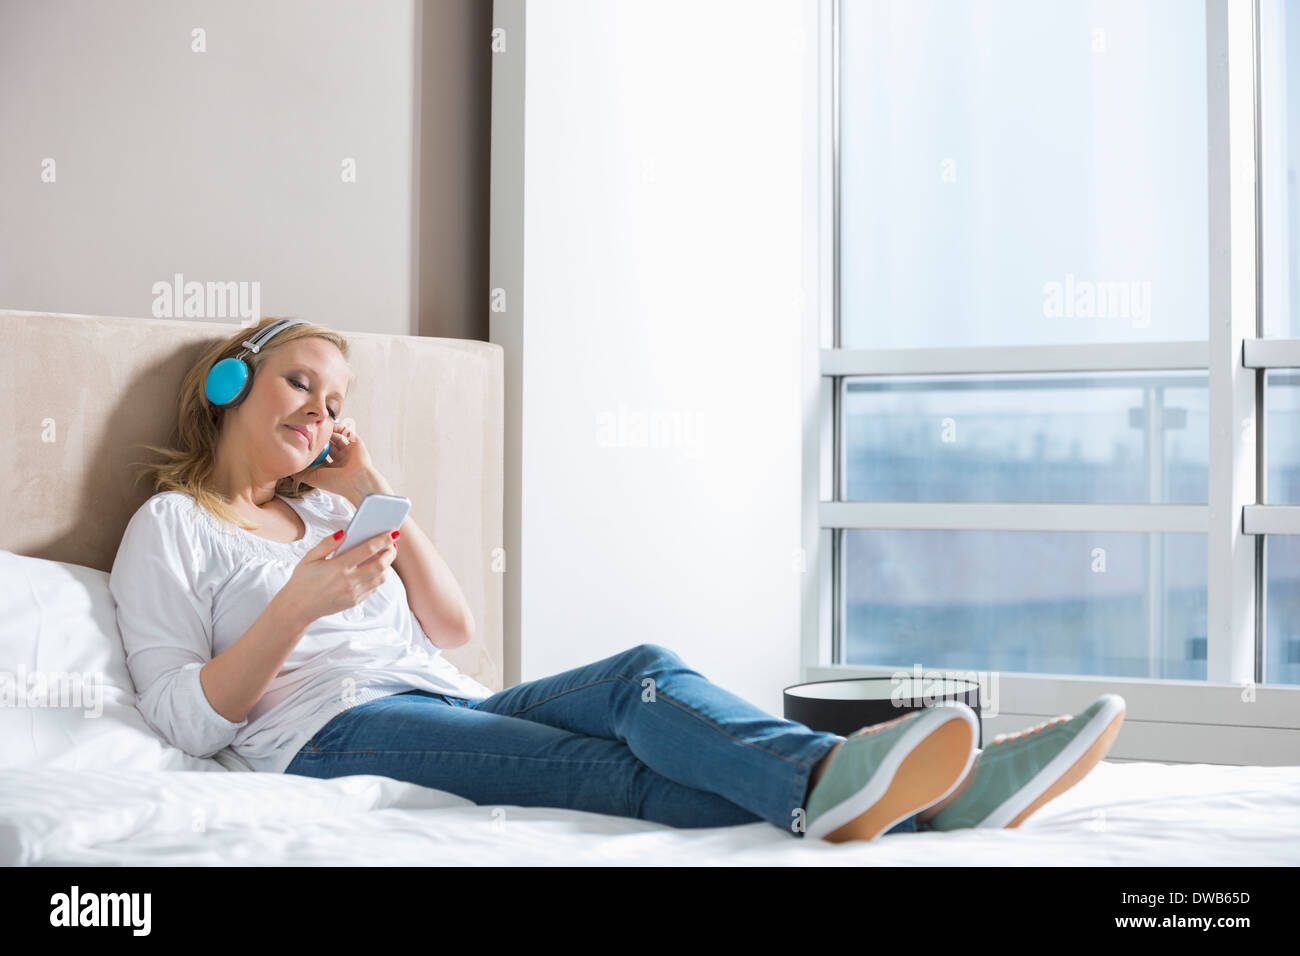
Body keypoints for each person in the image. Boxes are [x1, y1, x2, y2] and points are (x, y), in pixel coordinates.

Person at [111, 316, 1127, 843]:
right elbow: (184, 723)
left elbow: (453, 628)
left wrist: (377, 487)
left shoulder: (331, 509)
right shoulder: (173, 527)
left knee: (638, 677)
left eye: (338, 400)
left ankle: (880, 782)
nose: (324, 412)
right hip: (324, 734)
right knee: (612, 774)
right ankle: (903, 795)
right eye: (302, 383)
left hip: (434, 695)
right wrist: (295, 606)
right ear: (231, 382)